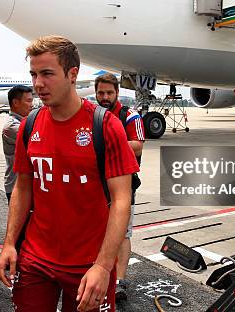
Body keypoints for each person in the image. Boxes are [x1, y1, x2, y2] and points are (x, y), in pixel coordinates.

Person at [0, 36, 139, 312]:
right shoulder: (30, 125)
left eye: (47, 73)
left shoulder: (105, 126)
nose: (38, 84)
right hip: (36, 259)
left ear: (72, 74)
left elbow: (121, 200)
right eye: (34, 74)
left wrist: (104, 265)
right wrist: (10, 243)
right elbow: (23, 189)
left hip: (89, 263)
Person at [94, 73, 145, 302]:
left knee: (122, 233)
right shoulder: (93, 116)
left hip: (123, 185)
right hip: (96, 184)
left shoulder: (129, 116)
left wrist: (109, 142)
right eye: (101, 93)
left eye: (109, 93)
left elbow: (138, 146)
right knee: (96, 230)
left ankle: (119, 281)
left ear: (117, 93)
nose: (104, 97)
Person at [2, 85, 34, 202]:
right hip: (17, 186)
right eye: (29, 101)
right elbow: (40, 138)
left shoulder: (24, 121)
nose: (32, 105)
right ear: (15, 102)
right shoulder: (13, 126)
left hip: (24, 184)